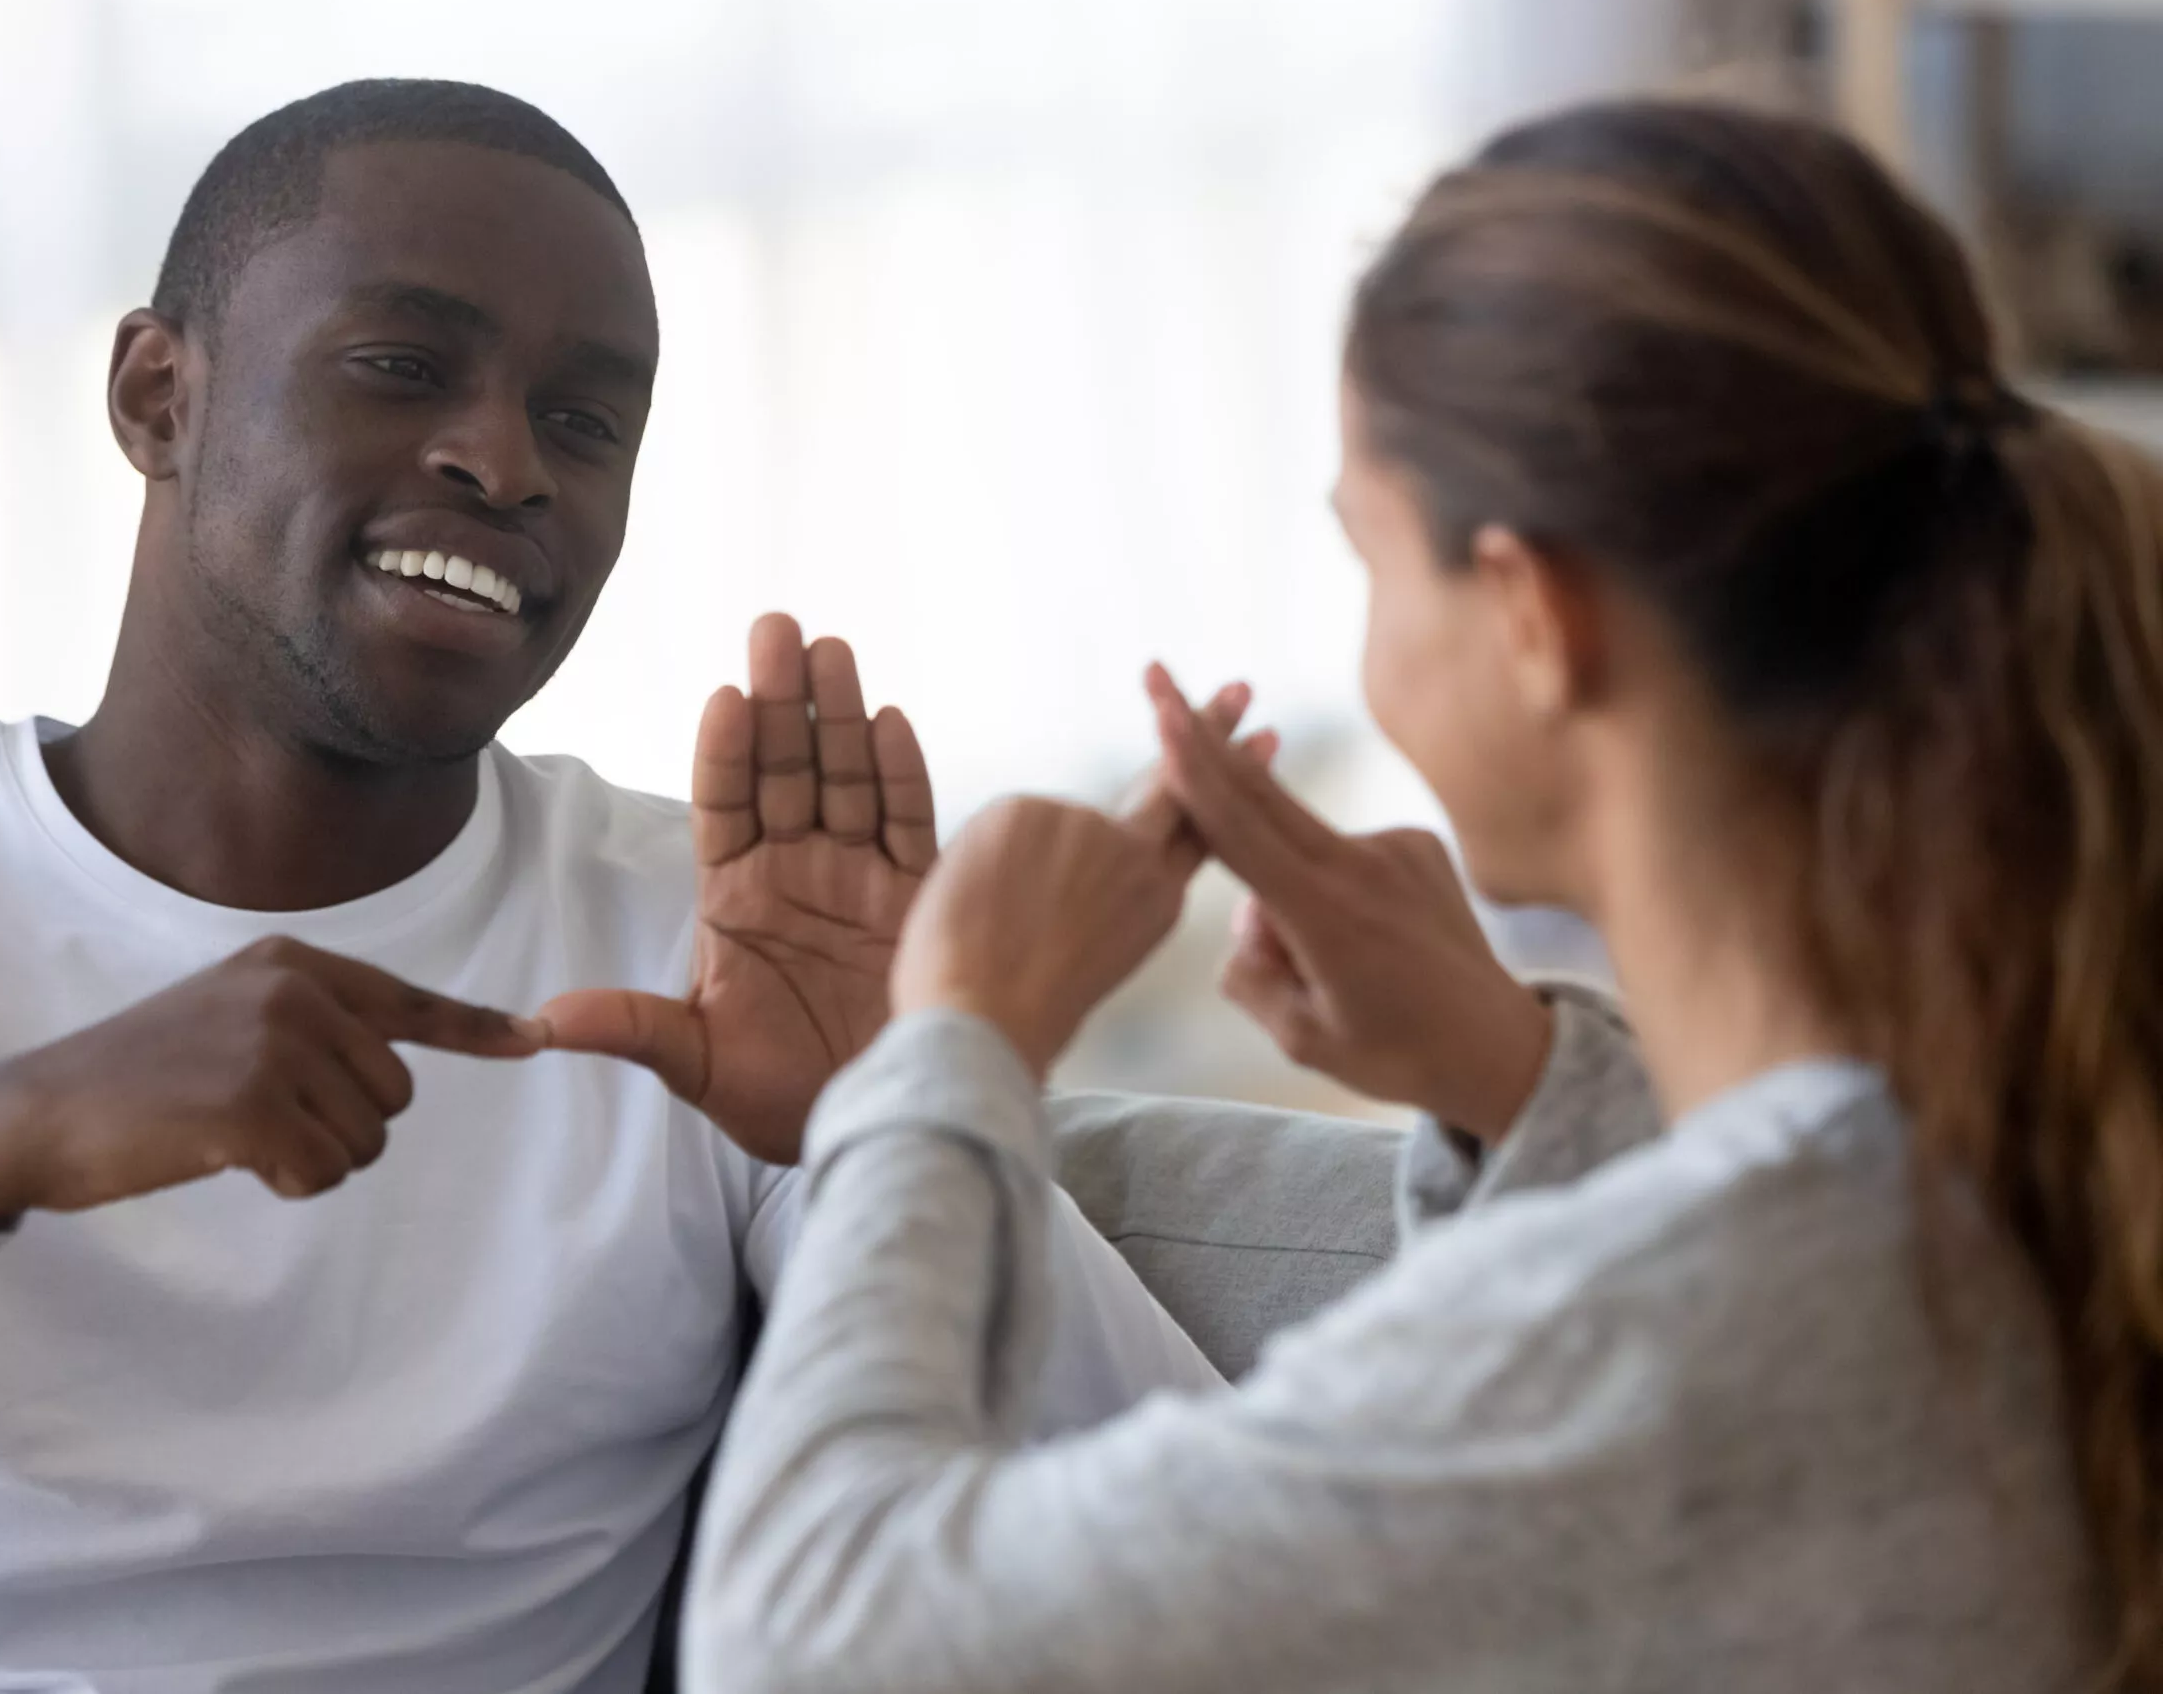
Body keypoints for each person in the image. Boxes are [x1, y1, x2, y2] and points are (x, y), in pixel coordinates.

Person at [0, 80, 1236, 1693]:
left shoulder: (708, 940)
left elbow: (1208, 1543)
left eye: (585, 420)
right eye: (402, 367)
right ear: (157, 397)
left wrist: (903, 1104)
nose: (505, 461)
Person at [670, 99, 2162, 1692]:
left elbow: (800, 1649)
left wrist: (949, 1049)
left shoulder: (1689, 1327)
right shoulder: (2026, 1136)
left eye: (1370, 557)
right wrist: (1518, 1077)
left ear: (1530, 612)